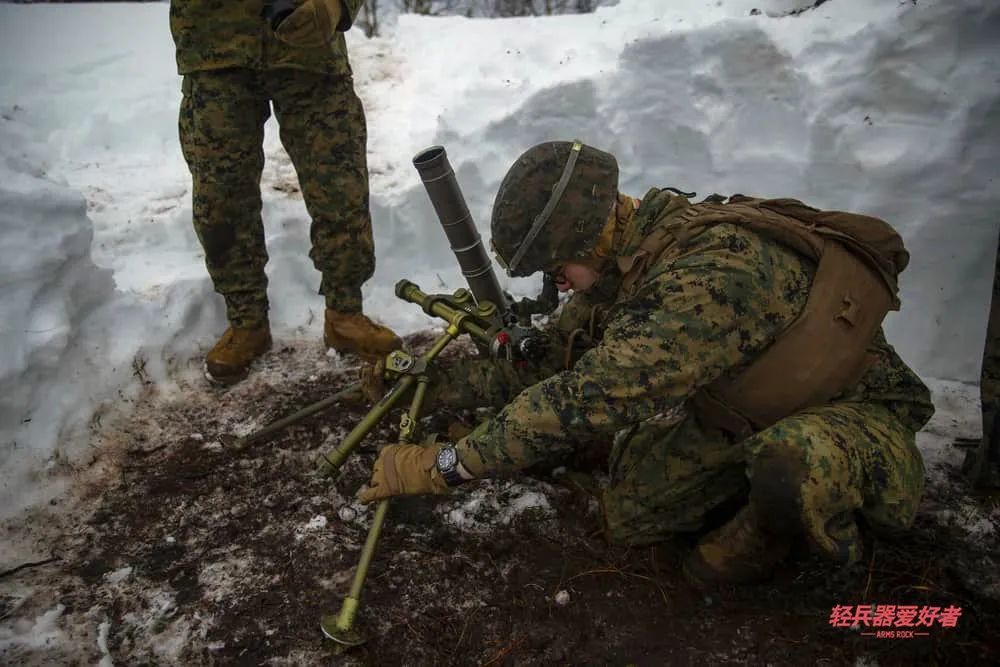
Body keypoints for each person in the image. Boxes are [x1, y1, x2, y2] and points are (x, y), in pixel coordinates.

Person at [358, 140, 935, 585]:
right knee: (632, 516)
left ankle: (793, 519)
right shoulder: (633, 255)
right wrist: (433, 385)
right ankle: (748, 479)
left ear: (589, 239)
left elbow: (587, 397)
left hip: (850, 412)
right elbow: (547, 364)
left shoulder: (708, 275)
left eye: (557, 267)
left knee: (788, 467)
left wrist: (445, 466)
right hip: (745, 406)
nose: (555, 284)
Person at [169, 0, 401, 384]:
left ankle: (345, 315)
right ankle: (246, 323)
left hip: (311, 47)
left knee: (341, 189)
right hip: (216, 49)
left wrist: (336, 4)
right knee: (220, 199)